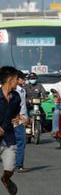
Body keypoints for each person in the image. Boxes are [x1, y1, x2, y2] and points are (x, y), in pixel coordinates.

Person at [0, 66, 21, 195]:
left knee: (10, 167)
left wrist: (17, 117)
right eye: (16, 79)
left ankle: (6, 179)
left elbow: (16, 111)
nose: (18, 81)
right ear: (11, 80)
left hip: (8, 137)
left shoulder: (16, 96)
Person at [14, 71, 29, 173]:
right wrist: (21, 118)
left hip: (21, 119)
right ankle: (18, 165)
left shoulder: (22, 90)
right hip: (17, 121)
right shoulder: (15, 91)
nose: (24, 80)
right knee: (20, 142)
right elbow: (14, 107)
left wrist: (27, 117)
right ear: (17, 79)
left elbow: (23, 106)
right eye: (22, 79)